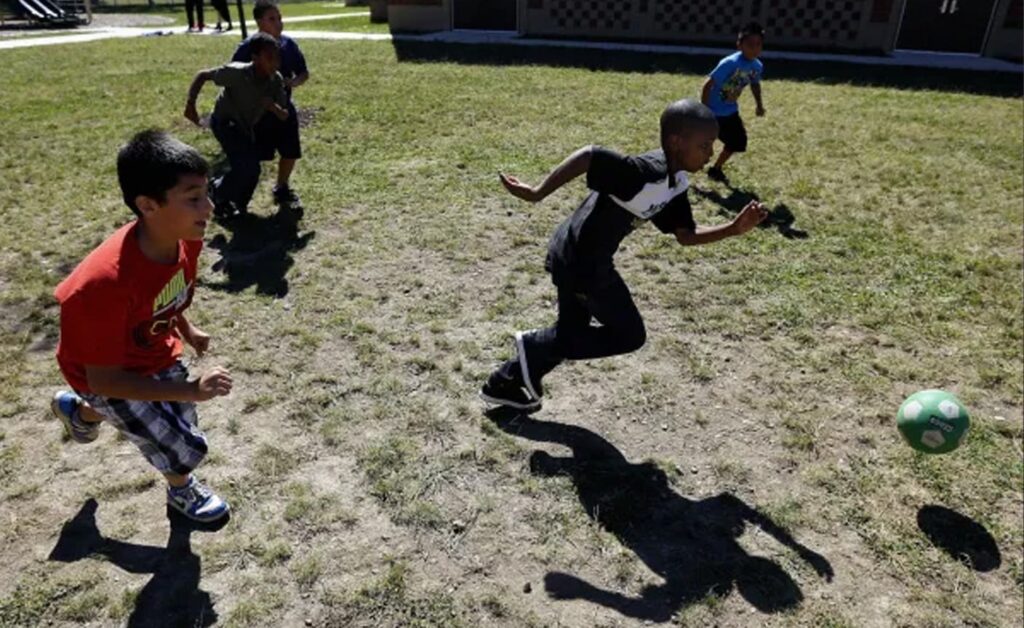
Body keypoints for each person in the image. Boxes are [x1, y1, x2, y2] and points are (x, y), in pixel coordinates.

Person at [481, 99, 768, 411]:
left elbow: (685, 236)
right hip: (583, 264)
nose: (710, 154)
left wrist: (733, 228)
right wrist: (537, 193)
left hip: (578, 255)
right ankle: (533, 347)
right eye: (704, 145)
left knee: (571, 333)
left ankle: (506, 383)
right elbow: (591, 155)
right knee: (629, 335)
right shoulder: (645, 173)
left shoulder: (675, 184)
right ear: (676, 142)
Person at [50, 130, 233, 523]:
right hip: (104, 374)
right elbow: (105, 381)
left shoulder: (184, 237)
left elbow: (165, 294)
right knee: (175, 444)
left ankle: (81, 415)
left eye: (207, 192)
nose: (209, 207)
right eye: (193, 198)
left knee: (180, 417)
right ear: (148, 205)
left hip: (151, 350)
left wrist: (186, 328)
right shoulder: (100, 287)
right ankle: (182, 491)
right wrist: (189, 389)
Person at [184, 32, 289, 218]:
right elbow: (202, 75)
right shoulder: (237, 73)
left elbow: (284, 115)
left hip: (245, 127)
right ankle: (217, 191)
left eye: (277, 57)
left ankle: (238, 204)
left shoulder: (276, 80)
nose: (275, 62)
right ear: (255, 59)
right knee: (246, 166)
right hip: (225, 123)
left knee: (252, 169)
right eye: (269, 57)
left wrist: (272, 107)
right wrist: (191, 104)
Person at [232, 0, 310, 213]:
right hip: (256, 113)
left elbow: (303, 73)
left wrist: (294, 82)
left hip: (283, 108)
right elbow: (233, 78)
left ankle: (282, 188)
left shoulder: (288, 45)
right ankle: (236, 195)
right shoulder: (247, 48)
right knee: (253, 157)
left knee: (291, 151)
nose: (279, 23)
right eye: (272, 19)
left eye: (280, 18)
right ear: (258, 22)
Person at [701, 22, 766, 185]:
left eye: (758, 44)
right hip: (713, 112)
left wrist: (759, 104)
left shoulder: (757, 66)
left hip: (730, 112)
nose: (754, 48)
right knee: (703, 142)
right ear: (739, 45)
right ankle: (685, 165)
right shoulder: (730, 62)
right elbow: (708, 84)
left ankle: (715, 169)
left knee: (737, 141)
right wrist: (704, 109)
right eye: (750, 44)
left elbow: (755, 84)